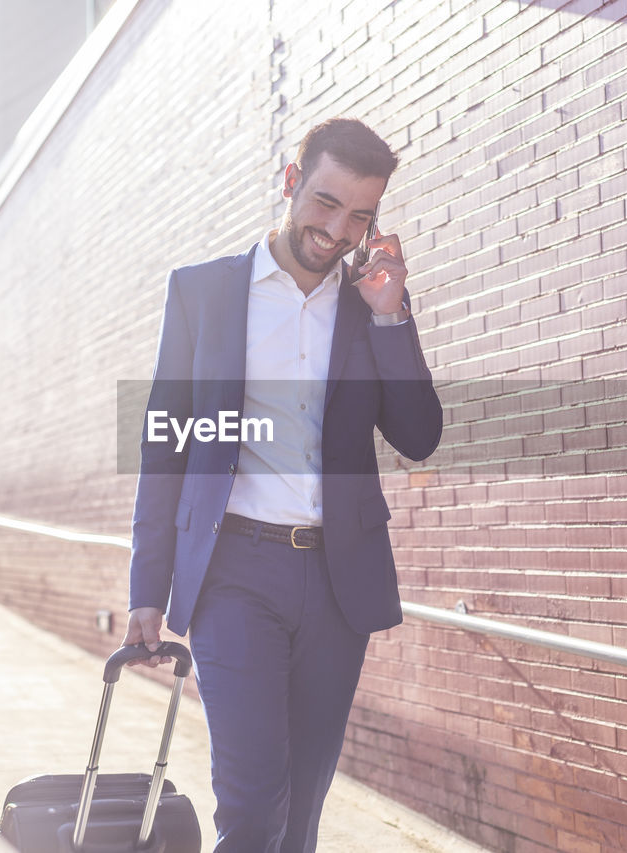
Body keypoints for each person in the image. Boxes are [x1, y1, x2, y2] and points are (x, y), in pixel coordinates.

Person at [123, 117, 442, 852]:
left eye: (359, 215)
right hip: (235, 572)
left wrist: (393, 315)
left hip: (338, 580)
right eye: (325, 203)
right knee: (252, 794)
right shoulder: (202, 294)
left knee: (299, 808)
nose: (336, 230)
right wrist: (147, 586)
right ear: (292, 181)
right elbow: (164, 443)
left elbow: (419, 435)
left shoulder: (371, 307)